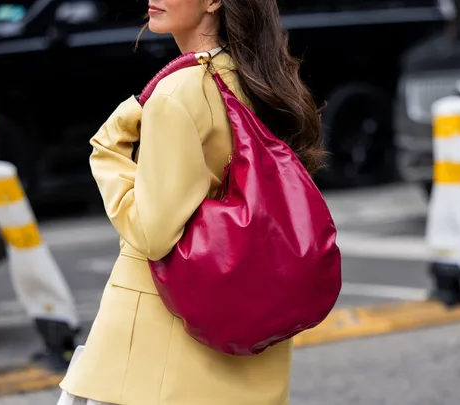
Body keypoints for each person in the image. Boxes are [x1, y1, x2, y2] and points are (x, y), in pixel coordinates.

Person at [56, 0, 326, 404]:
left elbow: (152, 233)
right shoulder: (255, 79)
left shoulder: (176, 93)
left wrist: (108, 148)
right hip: (244, 347)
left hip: (158, 354)